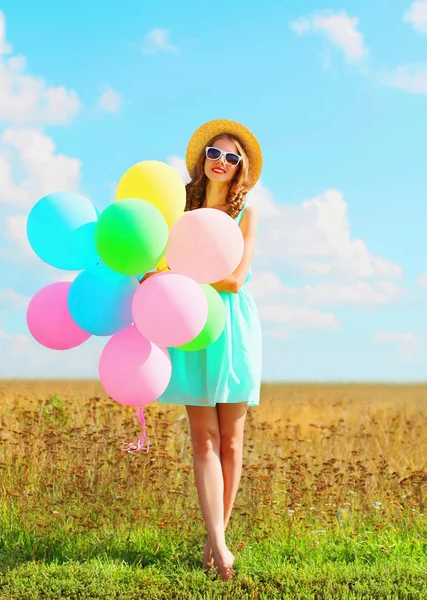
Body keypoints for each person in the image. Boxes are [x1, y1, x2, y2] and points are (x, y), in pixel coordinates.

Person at [141, 119, 263, 582]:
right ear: (203, 159)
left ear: (241, 168)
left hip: (231, 324)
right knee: (203, 439)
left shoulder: (246, 212)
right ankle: (218, 544)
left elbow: (233, 279)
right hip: (192, 326)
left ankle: (218, 541)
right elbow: (155, 267)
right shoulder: (180, 211)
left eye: (232, 157)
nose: (222, 162)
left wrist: (181, 278)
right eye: (215, 153)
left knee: (231, 440)